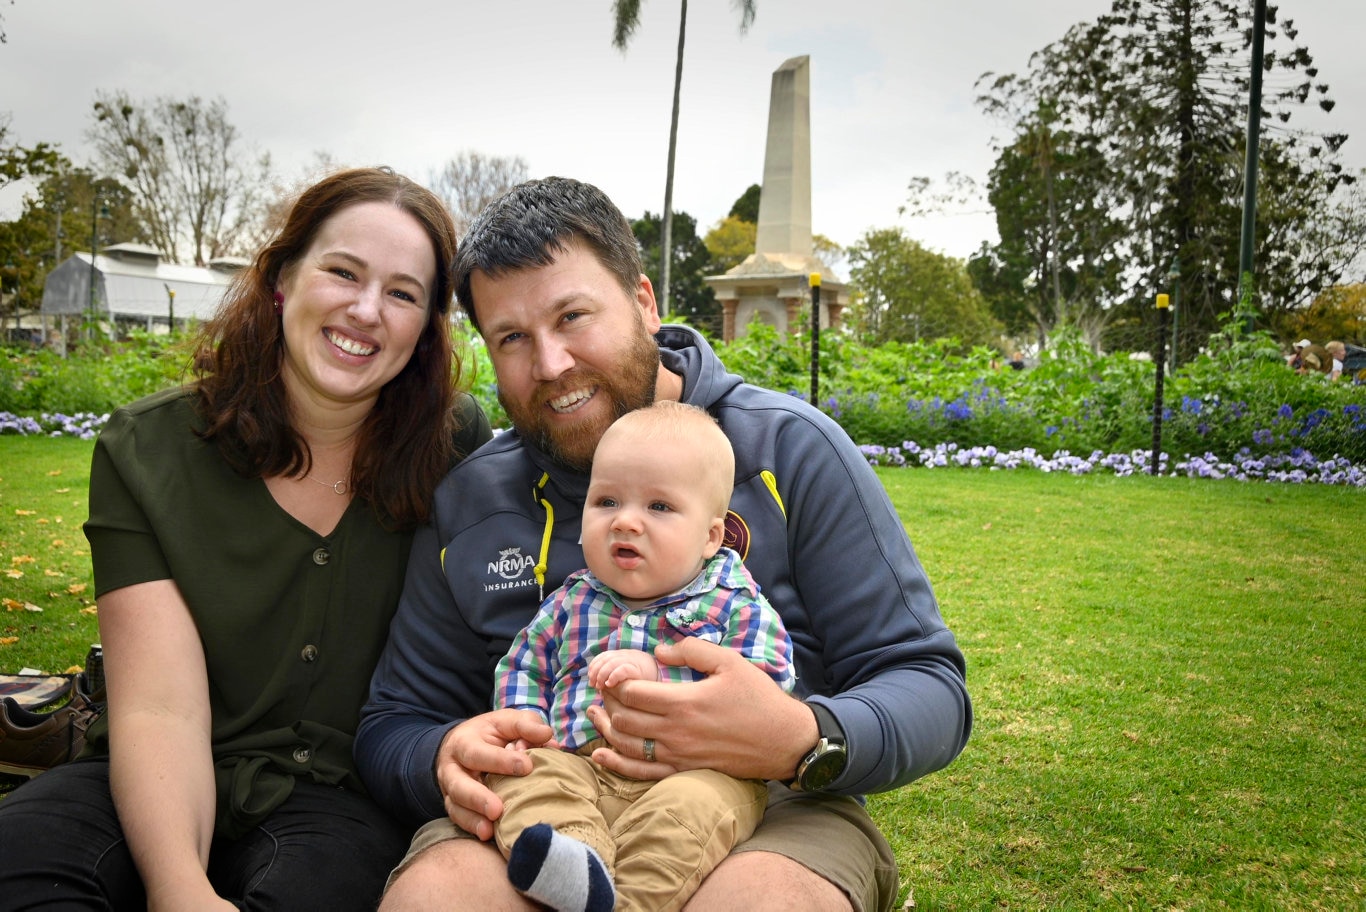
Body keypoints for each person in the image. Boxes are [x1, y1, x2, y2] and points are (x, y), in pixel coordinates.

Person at [357, 176, 972, 912]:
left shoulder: (788, 450)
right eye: (512, 339)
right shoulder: (471, 498)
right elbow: (393, 720)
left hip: (767, 806)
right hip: (546, 805)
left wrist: (802, 737)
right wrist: (440, 757)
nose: (550, 364)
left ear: (644, 302)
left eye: (573, 316)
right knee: (438, 899)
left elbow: (928, 682)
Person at [0, 167, 492, 910]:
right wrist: (179, 891)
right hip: (151, 769)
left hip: (337, 801)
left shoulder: (453, 448)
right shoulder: (149, 449)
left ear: (426, 329)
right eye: (342, 272)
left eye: (402, 293)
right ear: (281, 280)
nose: (365, 310)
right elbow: (160, 710)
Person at [491, 400, 794, 912]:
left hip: (693, 774)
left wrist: (661, 669)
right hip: (575, 764)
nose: (625, 522)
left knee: (691, 817)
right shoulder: (571, 600)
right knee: (522, 780)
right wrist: (525, 724)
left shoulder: (732, 601)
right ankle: (576, 861)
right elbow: (524, 664)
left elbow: (769, 681)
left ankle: (629, 901)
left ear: (711, 536)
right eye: (606, 501)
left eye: (658, 507)